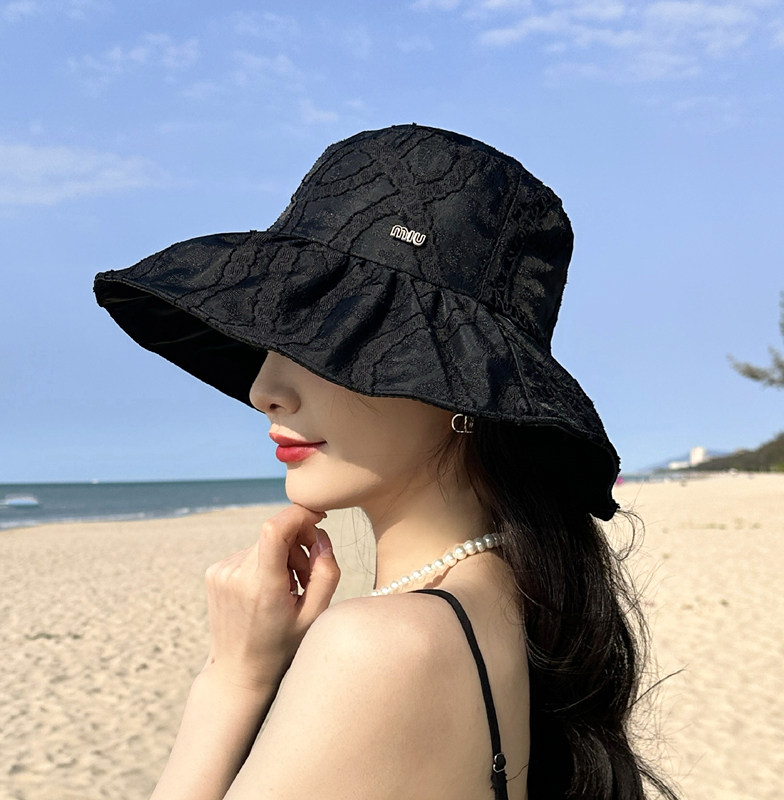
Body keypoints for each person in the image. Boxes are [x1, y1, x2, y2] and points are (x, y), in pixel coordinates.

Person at [94, 124, 678, 800]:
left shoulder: (379, 648)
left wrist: (232, 677)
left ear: (458, 385)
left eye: (331, 342)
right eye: (277, 340)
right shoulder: (512, 594)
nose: (264, 390)